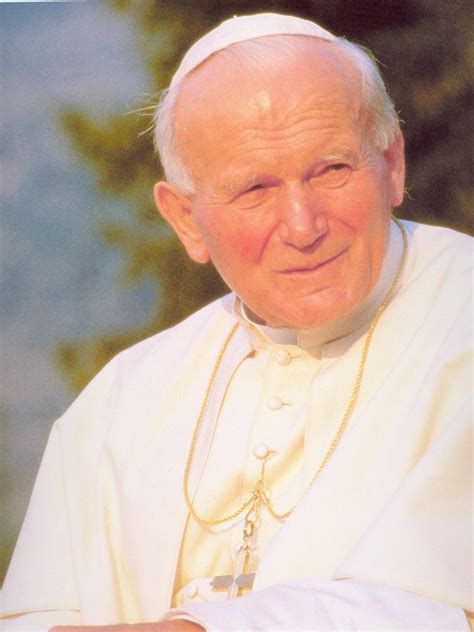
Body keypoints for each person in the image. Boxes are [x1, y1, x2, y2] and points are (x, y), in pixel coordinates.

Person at [1, 12, 472, 632]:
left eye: (332, 169)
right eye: (255, 189)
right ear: (186, 220)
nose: (303, 225)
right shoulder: (122, 399)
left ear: (393, 163)